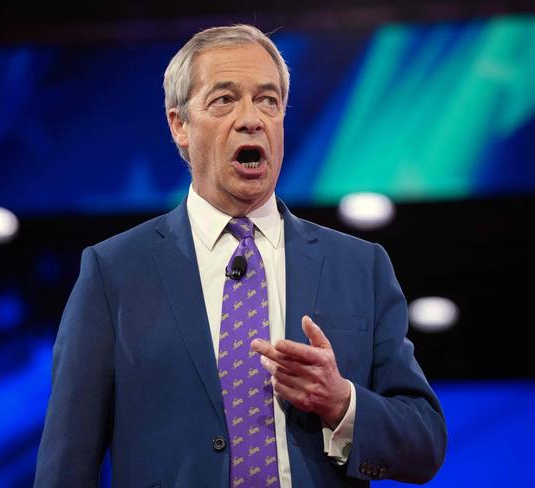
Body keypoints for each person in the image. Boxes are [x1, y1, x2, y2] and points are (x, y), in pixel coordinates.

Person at [34, 24, 447, 487]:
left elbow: (424, 442)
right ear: (180, 126)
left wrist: (341, 402)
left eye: (268, 100)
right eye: (224, 100)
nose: (252, 119)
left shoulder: (360, 267)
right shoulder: (113, 274)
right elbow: (65, 468)